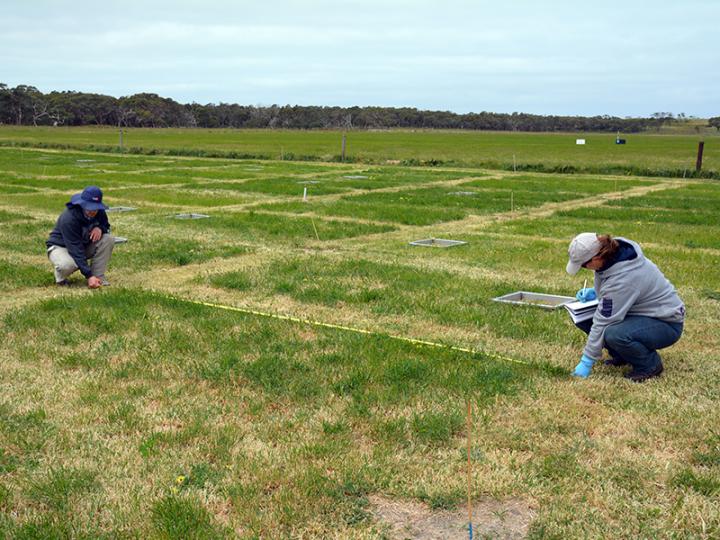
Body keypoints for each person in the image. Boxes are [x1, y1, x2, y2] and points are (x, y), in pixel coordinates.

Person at [566, 233, 685, 382]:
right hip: (640, 314)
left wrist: (586, 361)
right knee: (584, 317)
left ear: (596, 258)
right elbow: (616, 292)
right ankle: (623, 355)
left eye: (584, 265)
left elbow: (604, 319)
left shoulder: (624, 278)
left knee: (614, 333)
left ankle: (649, 365)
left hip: (665, 322)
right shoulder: (611, 257)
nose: (585, 268)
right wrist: (596, 294)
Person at [46, 186, 114, 289]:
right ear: (82, 204)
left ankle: (98, 277)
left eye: (95, 207)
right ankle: (60, 279)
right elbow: (75, 248)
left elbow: (106, 225)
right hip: (60, 247)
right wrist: (88, 275)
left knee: (108, 239)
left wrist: (99, 228)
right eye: (90, 207)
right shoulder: (69, 218)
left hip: (82, 245)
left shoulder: (99, 212)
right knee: (67, 265)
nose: (93, 211)